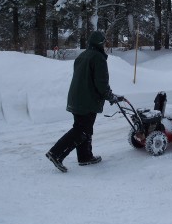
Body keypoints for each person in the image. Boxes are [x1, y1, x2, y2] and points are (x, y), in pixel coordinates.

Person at [46, 30, 122, 173]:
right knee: (81, 130)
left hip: (77, 98)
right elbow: (101, 83)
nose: (105, 45)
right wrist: (110, 96)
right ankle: (56, 153)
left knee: (83, 128)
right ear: (100, 43)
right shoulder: (98, 58)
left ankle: (85, 157)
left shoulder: (83, 56)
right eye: (104, 42)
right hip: (87, 101)